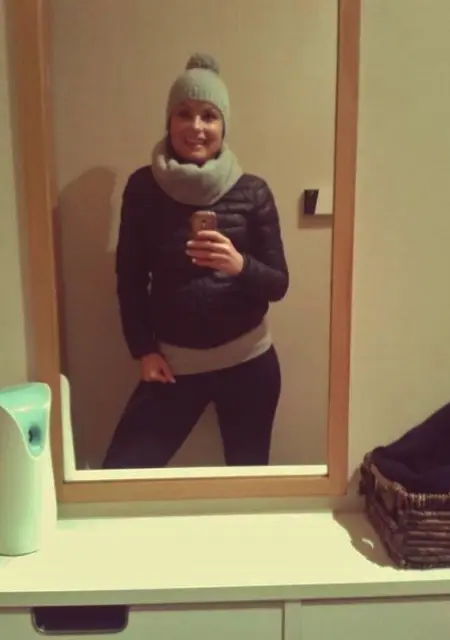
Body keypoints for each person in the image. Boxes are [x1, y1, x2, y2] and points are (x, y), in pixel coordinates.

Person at [103, 53, 289, 469]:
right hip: (172, 366)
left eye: (209, 115)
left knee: (247, 481)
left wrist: (239, 265)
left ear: (224, 125)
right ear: (169, 121)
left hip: (250, 365)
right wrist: (143, 350)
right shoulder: (143, 188)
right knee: (121, 474)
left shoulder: (253, 191)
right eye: (184, 113)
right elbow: (129, 278)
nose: (197, 127)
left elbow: (278, 283)